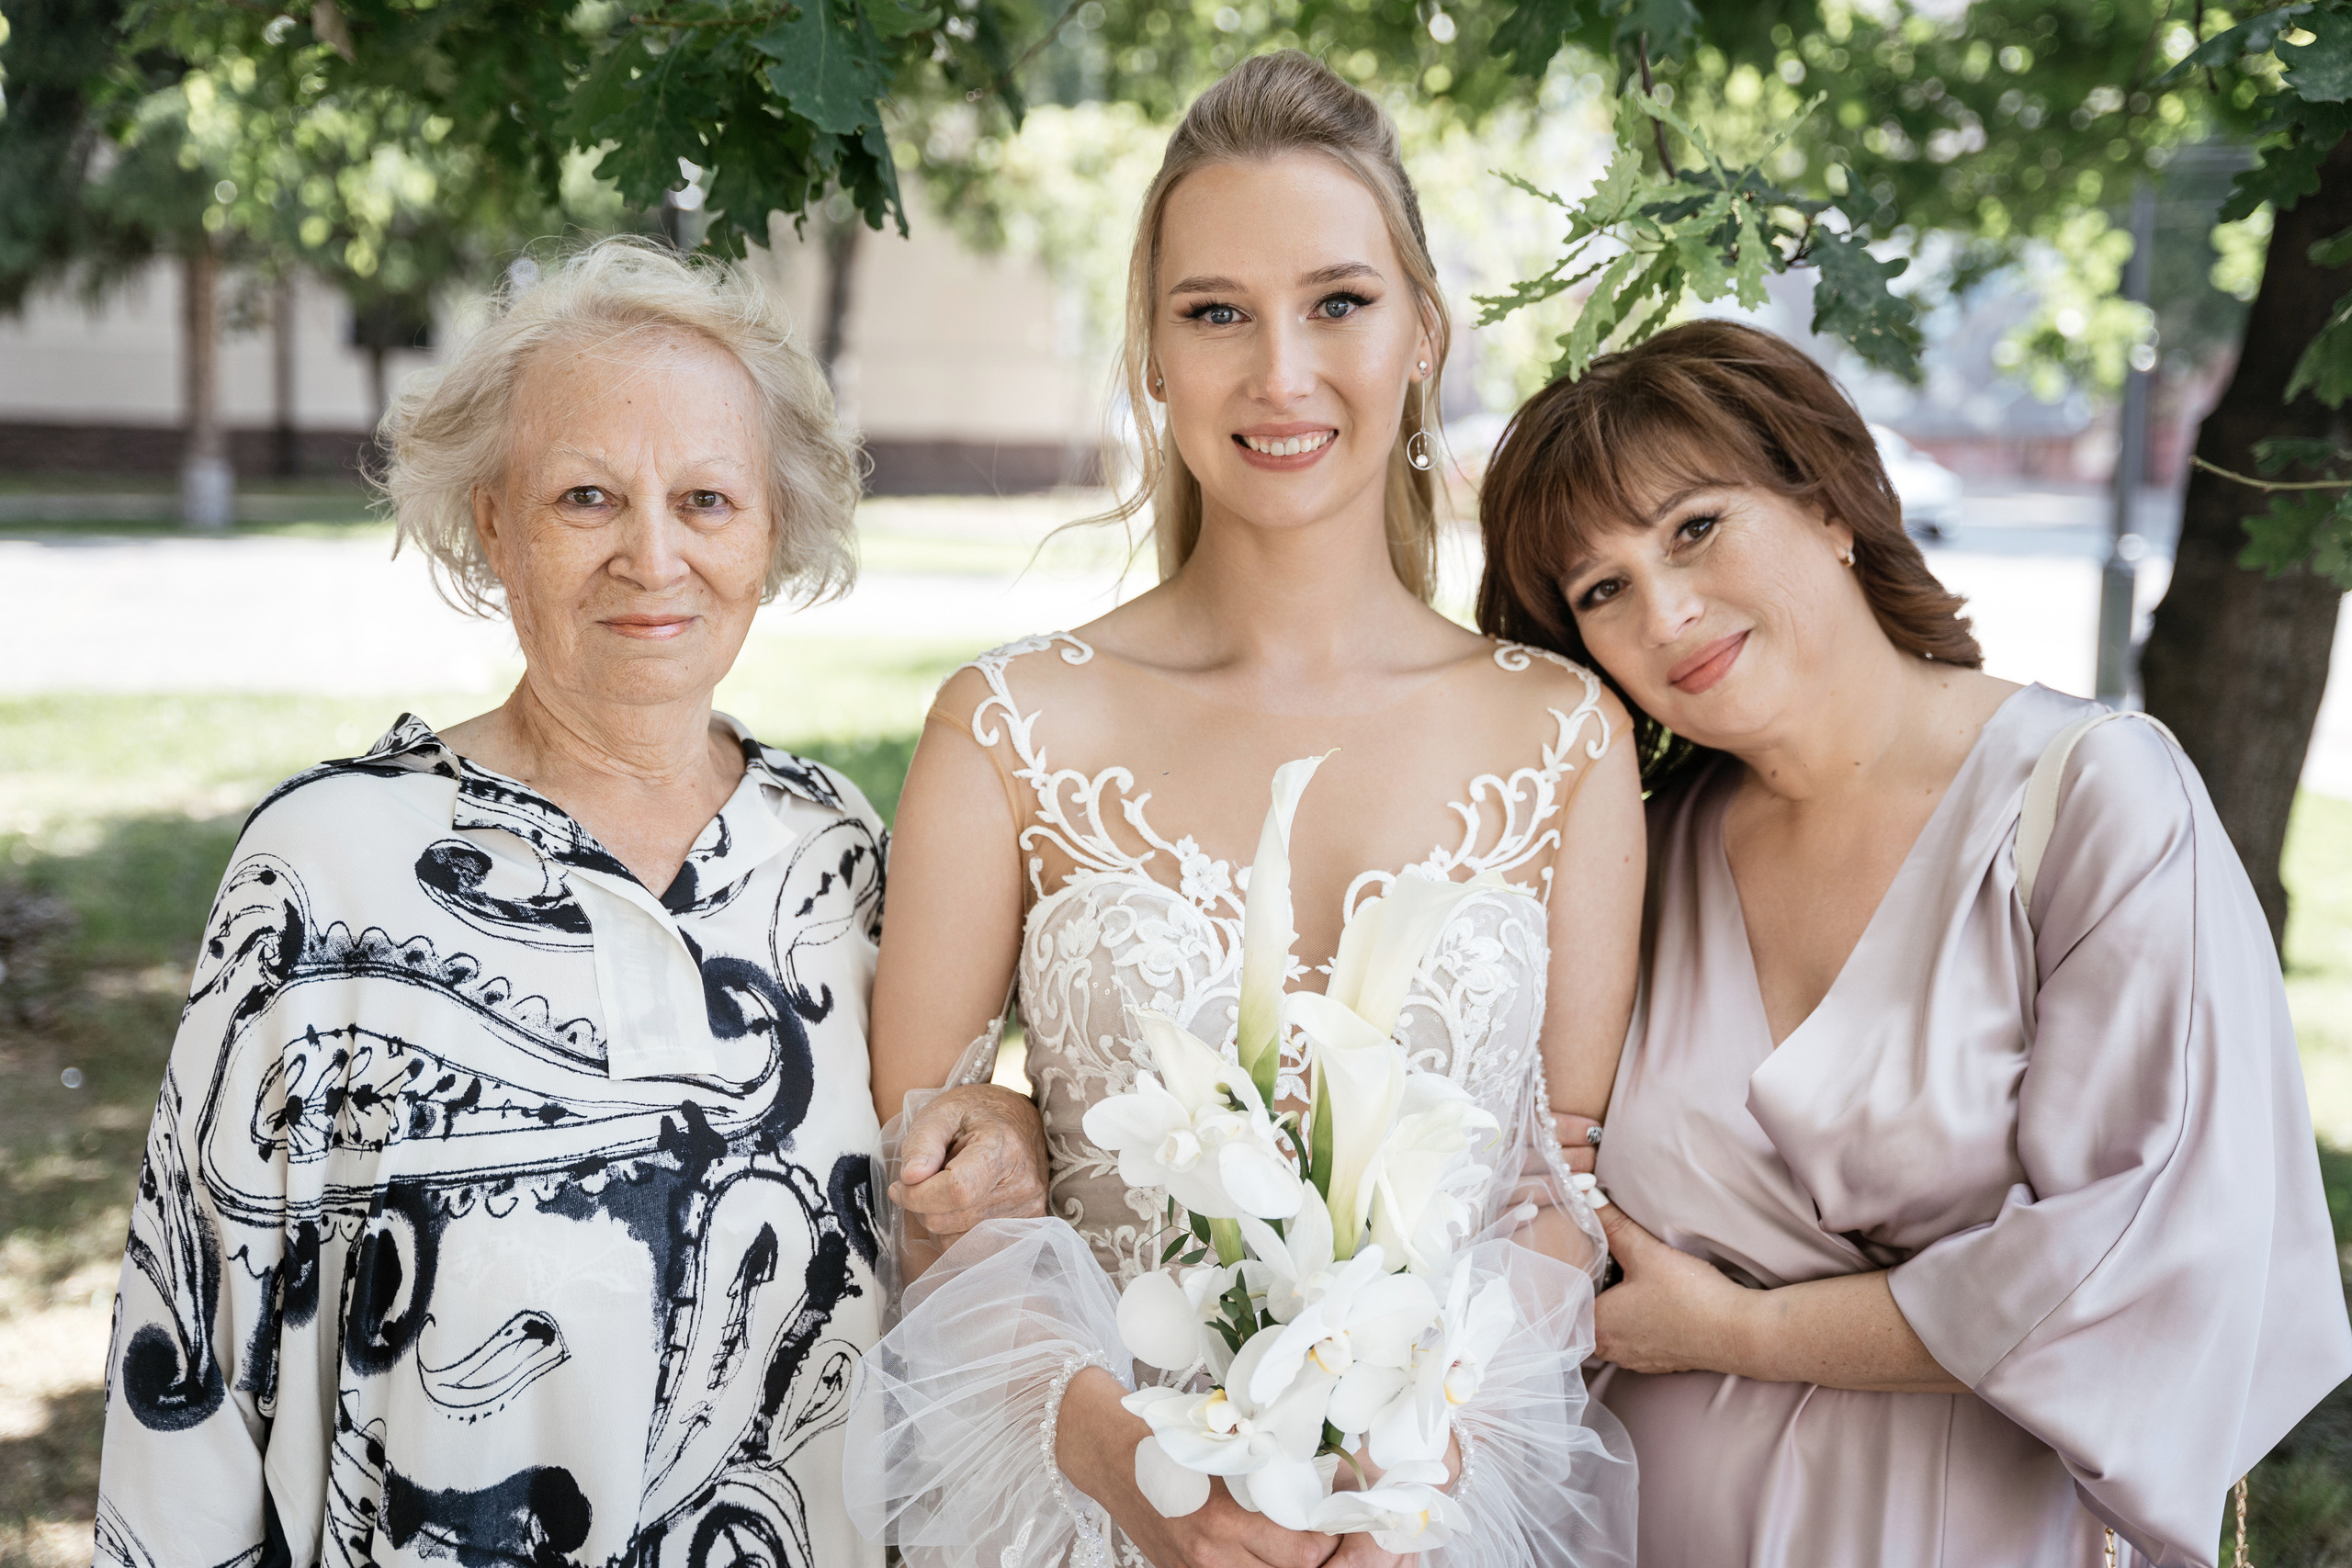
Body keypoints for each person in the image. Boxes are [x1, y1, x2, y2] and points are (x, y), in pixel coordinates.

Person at [91, 237, 1044, 1568]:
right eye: (588, 497)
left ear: (774, 528)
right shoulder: (325, 870)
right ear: (493, 522)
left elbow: (933, 1242)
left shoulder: (842, 855)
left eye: (708, 500)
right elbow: (190, 1349)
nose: (653, 558)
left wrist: (1005, 1122)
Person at [845, 51, 1643, 1568]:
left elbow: (1561, 1192)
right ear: (1152, 356)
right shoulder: (1006, 728)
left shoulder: (1566, 737)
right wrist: (1116, 1456)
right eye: (1217, 314)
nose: (1281, 375)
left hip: (1436, 1516)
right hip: (1079, 1506)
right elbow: (928, 1192)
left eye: (1337, 303)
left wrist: (1425, 1445)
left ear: (1423, 332)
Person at [1475, 317, 2352, 1567]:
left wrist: (1741, 1332)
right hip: (1635, 1528)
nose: (1665, 612)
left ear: (1832, 503)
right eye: (1602, 589)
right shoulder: (1637, 864)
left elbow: (2148, 1245)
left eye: (1696, 528)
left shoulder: (2092, 802)